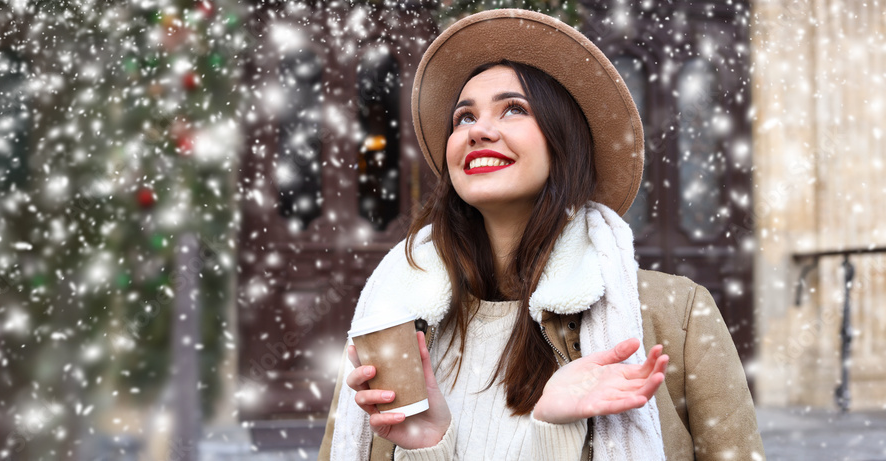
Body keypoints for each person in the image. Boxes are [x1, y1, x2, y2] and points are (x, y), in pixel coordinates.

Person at [319, 9, 764, 460]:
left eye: (514, 109)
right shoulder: (394, 315)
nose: (479, 131)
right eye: (464, 117)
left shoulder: (675, 316)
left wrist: (555, 433)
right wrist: (427, 444)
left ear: (563, 141)